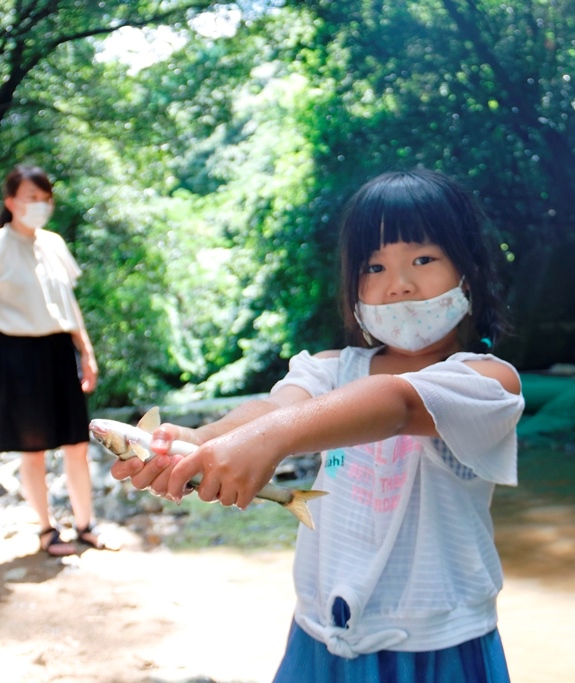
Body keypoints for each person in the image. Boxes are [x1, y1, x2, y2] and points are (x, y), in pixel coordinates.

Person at [112, 169, 525, 681]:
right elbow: (273, 411)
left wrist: (273, 439)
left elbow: (395, 401)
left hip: (441, 643)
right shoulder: (329, 368)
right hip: (319, 632)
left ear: (468, 272)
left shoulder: (486, 383)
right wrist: (202, 440)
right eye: (374, 267)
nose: (399, 285)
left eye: (422, 259)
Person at [0, 164, 115, 554]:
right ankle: (47, 531)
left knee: (76, 443)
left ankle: (86, 525)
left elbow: (68, 303)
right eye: (32, 198)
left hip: (59, 351)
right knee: (32, 449)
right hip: (16, 355)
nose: (40, 205)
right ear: (11, 201)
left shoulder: (52, 243)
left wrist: (87, 351)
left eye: (45, 198)